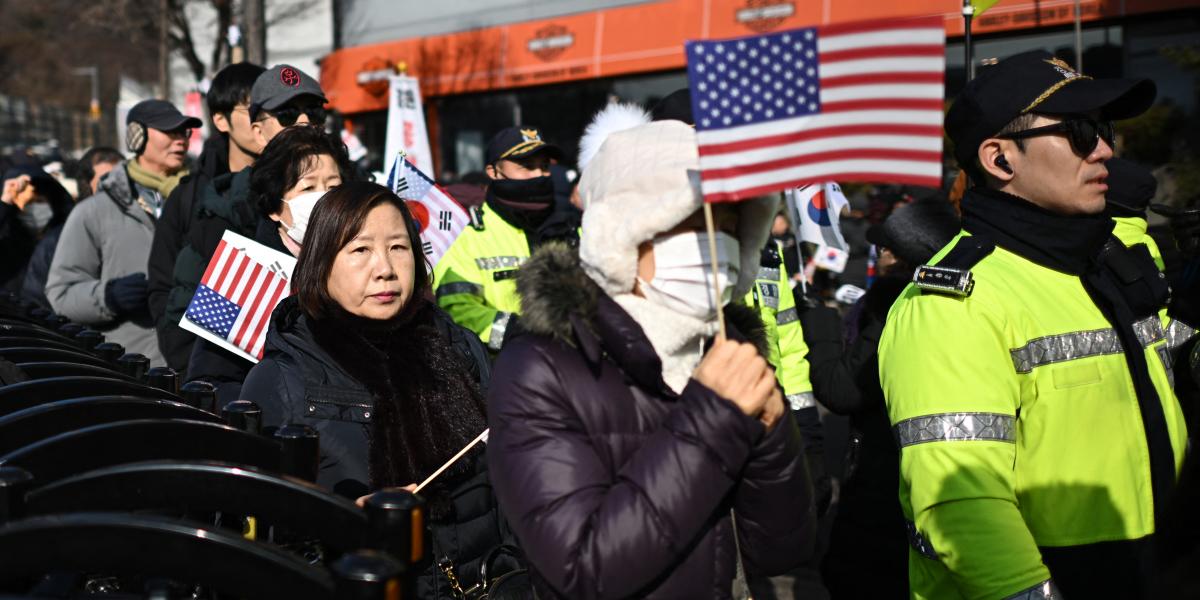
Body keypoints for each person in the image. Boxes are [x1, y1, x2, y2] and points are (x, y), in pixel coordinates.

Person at [879, 50, 1186, 598]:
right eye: (1080, 131)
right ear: (999, 160)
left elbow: (1157, 354)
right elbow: (960, 500)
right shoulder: (953, 303)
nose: (1105, 150)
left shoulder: (1103, 258)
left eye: (1105, 128)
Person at [487, 120, 815, 598]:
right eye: (692, 223)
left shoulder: (727, 347)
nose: (718, 243)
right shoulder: (540, 368)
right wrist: (715, 417)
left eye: (728, 225)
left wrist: (772, 442)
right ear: (623, 233)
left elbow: (784, 551)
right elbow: (582, 568)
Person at [240, 182, 512, 599]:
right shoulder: (281, 380)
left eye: (399, 248)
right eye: (360, 250)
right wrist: (342, 520)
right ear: (321, 263)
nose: (384, 268)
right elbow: (258, 536)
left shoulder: (460, 349)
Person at [804, 198, 960, 599]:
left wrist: (820, 322)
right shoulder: (948, 298)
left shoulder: (894, 304)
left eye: (889, 245)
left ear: (909, 254)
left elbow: (842, 388)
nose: (880, 251)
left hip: (885, 478)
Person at [184, 125, 357, 403]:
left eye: (333, 187)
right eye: (308, 187)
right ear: (276, 208)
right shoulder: (241, 276)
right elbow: (208, 383)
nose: (324, 197)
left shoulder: (362, 267)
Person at [46, 99, 200, 364]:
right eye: (170, 131)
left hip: (199, 370)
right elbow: (61, 293)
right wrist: (108, 296)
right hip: (130, 374)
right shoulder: (93, 211)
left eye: (184, 132)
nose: (181, 140)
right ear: (136, 137)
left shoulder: (208, 201)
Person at [149, 62, 265, 371]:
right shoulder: (189, 197)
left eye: (271, 109)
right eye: (252, 109)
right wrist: (192, 361)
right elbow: (162, 286)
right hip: (209, 373)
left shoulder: (297, 186)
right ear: (220, 120)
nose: (263, 121)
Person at [433, 126, 576, 351]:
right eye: (527, 167)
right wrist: (518, 332)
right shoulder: (468, 236)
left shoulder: (572, 229)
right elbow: (457, 310)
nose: (539, 175)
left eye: (545, 167)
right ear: (493, 172)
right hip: (504, 373)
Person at [1, 166, 73, 301]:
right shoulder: (6, 239)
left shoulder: (63, 239)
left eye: (39, 201)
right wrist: (5, 202)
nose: (34, 208)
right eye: (27, 203)